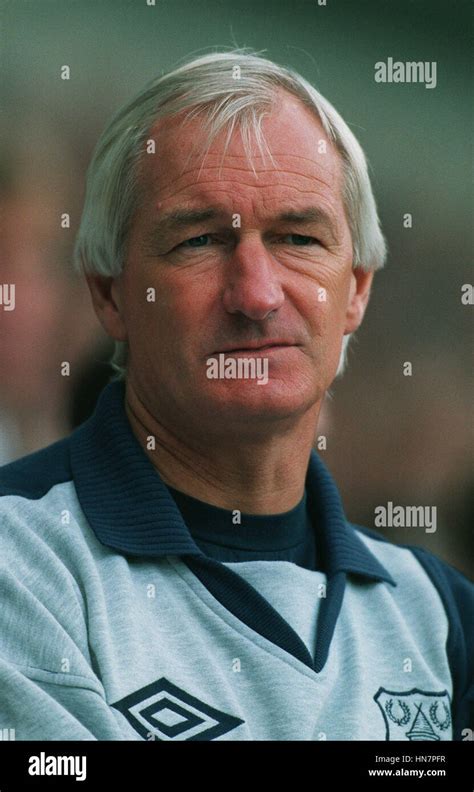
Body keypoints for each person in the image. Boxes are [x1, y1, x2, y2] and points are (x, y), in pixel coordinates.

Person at [0, 50, 472, 742]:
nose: (256, 293)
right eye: (199, 241)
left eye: (298, 238)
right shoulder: (23, 564)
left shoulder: (441, 618)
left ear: (359, 289)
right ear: (110, 292)